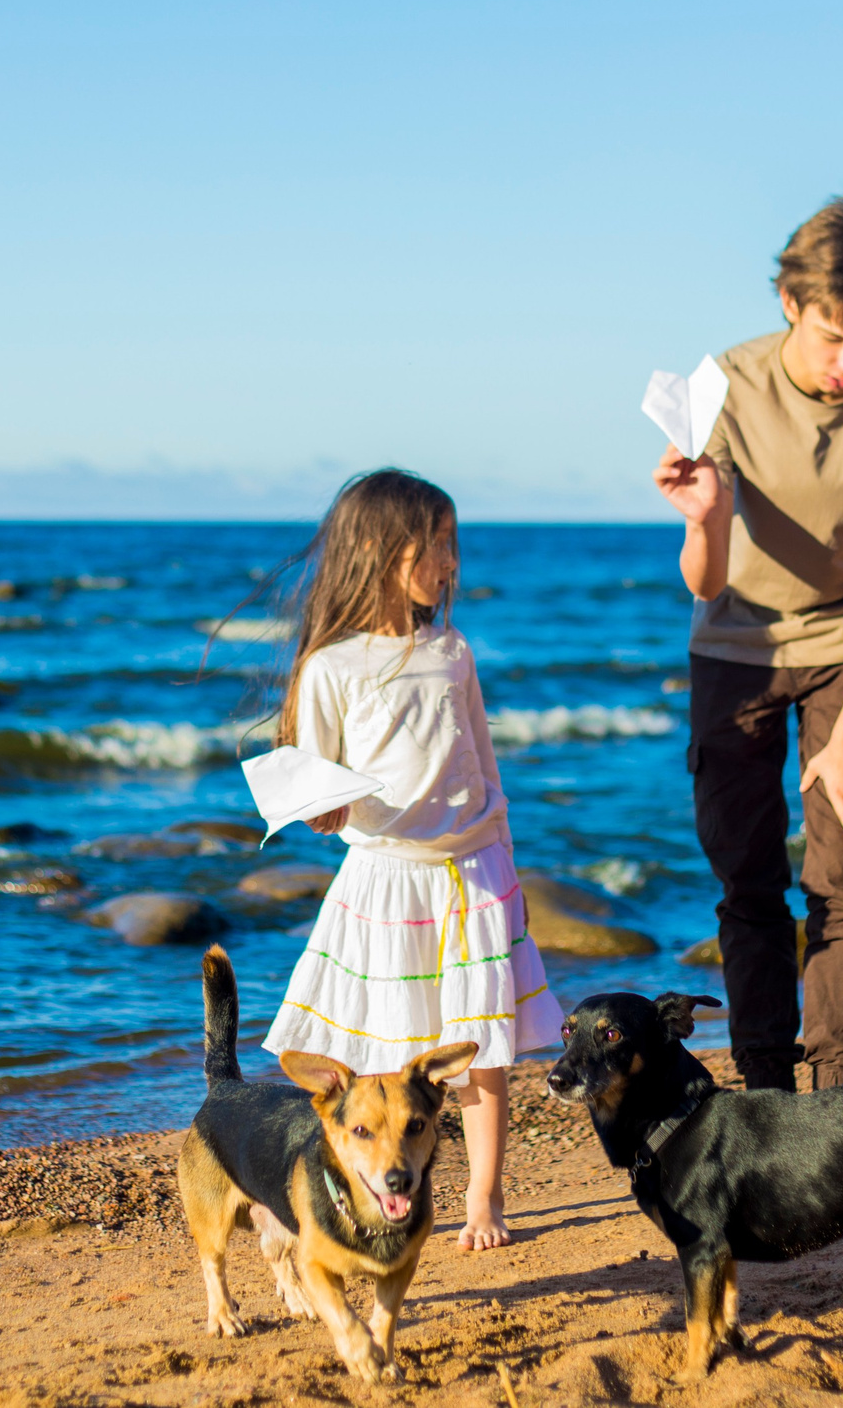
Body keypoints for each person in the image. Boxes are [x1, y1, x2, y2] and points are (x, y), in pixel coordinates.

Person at [652, 192, 843, 1092]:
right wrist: (705, 518)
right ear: (790, 302)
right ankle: (764, 1092)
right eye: (832, 335)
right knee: (748, 883)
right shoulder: (727, 386)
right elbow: (704, 582)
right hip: (735, 649)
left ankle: (838, 1098)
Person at [258, 468, 564, 1249]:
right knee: (388, 1055)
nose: (452, 562)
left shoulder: (451, 651)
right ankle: (376, 1195)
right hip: (386, 880)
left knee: (481, 1049)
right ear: (390, 552)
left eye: (452, 545)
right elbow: (317, 784)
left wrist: (508, 863)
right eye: (441, 544)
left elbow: (484, 769)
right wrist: (319, 808)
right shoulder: (331, 665)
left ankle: (485, 1198)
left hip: (471, 873)